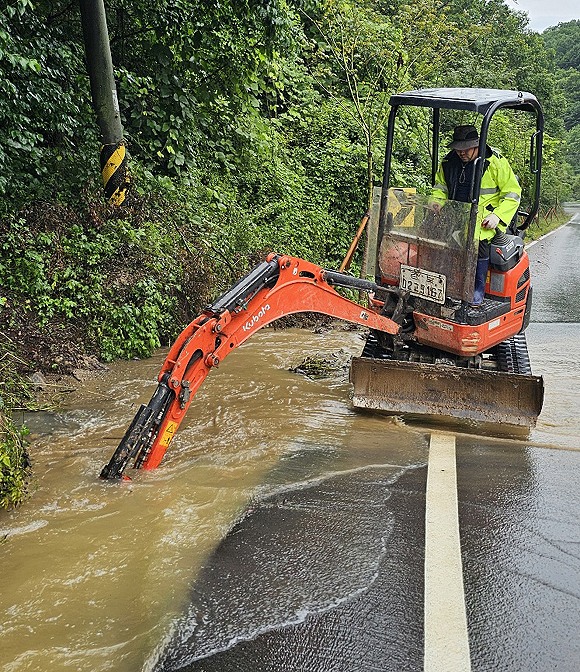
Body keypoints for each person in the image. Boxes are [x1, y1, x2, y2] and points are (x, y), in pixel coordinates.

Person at [430, 124, 521, 306]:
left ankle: (477, 288)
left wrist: (497, 216)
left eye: (465, 149)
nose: (461, 153)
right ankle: (449, 288)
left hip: (485, 221)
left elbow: (513, 193)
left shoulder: (495, 162)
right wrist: (436, 202)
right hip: (456, 218)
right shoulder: (449, 163)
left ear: (477, 145)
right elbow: (440, 188)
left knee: (478, 244)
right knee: (443, 246)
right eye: (457, 149)